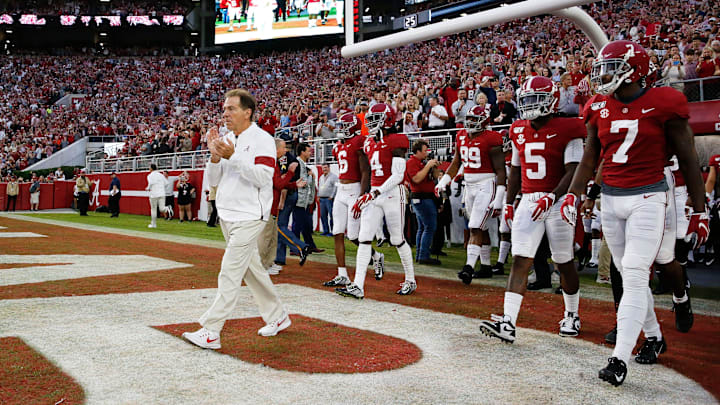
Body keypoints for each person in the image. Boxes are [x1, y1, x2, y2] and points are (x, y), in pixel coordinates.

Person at [560, 40, 706, 387]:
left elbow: (687, 159)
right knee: (626, 272)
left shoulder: (664, 103)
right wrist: (574, 194)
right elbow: (591, 155)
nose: (604, 75)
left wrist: (700, 212)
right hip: (612, 198)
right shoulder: (598, 107)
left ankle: (619, 359)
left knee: (640, 270)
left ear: (634, 70)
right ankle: (654, 336)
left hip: (650, 195)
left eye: (612, 67)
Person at [479, 76, 585, 344]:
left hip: (558, 200)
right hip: (529, 199)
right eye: (526, 100)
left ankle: (572, 314)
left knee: (563, 260)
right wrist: (509, 202)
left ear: (552, 100)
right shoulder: (518, 129)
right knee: (520, 259)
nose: (530, 106)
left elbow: (574, 170)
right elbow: (516, 169)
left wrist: (553, 197)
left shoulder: (568, 127)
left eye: (536, 99)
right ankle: (509, 322)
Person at [182, 89, 291, 349]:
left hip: (250, 215)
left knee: (229, 272)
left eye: (231, 109)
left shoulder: (263, 139)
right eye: (224, 109)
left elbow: (264, 178)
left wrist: (233, 156)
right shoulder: (228, 138)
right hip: (228, 214)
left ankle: (211, 330)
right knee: (252, 272)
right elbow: (215, 180)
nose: (226, 114)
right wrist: (214, 157)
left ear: (247, 112)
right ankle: (278, 316)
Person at [336, 103, 416, 298]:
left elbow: (398, 175)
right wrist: (366, 195)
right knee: (364, 238)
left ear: (387, 119)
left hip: (391, 195)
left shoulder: (397, 140)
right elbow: (368, 171)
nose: (370, 122)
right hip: (374, 195)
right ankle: (358, 285)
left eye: (374, 118)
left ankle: (410, 279)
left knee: (397, 239)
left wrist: (374, 193)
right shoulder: (369, 142)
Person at [435, 104, 506, 282]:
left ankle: (468, 267)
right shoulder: (461, 136)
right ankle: (486, 266)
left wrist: (499, 197)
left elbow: (500, 170)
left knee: (475, 226)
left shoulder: (492, 138)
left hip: (486, 184)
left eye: (475, 119)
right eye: (469, 119)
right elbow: (456, 163)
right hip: (469, 185)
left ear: (484, 121)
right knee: (482, 227)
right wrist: (444, 181)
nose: (471, 123)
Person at [322, 112, 384, 288]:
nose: (340, 129)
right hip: (340, 190)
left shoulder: (359, 142)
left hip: (354, 189)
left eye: (344, 126)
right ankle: (342, 274)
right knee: (337, 233)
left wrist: (362, 195)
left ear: (353, 127)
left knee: (353, 236)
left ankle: (375, 255)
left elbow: (365, 170)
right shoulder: (339, 145)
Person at [262, 139, 307, 274]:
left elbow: (280, 183)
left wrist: (294, 185)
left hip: (272, 204)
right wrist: (291, 173)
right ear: (276, 149)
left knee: (273, 237)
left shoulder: (273, 161)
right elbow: (278, 184)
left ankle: (269, 263)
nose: (286, 150)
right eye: (283, 147)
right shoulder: (271, 162)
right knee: (266, 238)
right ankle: (263, 265)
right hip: (268, 205)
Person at [406, 139, 440, 264]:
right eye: (425, 151)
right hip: (421, 197)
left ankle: (421, 254)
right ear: (418, 151)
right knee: (429, 227)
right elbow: (417, 179)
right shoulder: (411, 162)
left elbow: (435, 177)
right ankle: (423, 255)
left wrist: (435, 166)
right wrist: (427, 166)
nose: (427, 153)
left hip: (425, 197)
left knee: (422, 227)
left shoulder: (421, 162)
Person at [292, 143, 321, 252]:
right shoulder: (299, 164)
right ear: (302, 152)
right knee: (298, 224)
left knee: (305, 225)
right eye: (308, 151)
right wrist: (311, 176)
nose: (310, 153)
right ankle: (296, 247)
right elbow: (303, 181)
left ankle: (309, 246)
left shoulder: (302, 164)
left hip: (304, 200)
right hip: (300, 199)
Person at [145, 163, 170, 228]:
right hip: (162, 193)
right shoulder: (161, 175)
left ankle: (153, 224)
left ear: (151, 168)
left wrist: (148, 188)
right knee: (162, 209)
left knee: (153, 209)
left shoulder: (150, 175)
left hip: (154, 194)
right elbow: (167, 183)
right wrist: (161, 188)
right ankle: (167, 208)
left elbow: (151, 183)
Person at [317, 163, 337, 236]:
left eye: (325, 167)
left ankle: (333, 231)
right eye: (323, 168)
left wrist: (332, 196)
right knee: (323, 215)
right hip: (322, 199)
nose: (324, 169)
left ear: (329, 168)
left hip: (329, 199)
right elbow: (319, 186)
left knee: (331, 215)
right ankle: (326, 230)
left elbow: (336, 187)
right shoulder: (321, 177)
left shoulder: (334, 177)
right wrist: (318, 195)